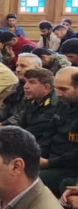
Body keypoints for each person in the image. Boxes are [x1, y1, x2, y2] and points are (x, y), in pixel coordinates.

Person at [38, 67, 78, 196]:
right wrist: (40, 154)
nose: (58, 94)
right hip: (50, 159)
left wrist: (48, 163)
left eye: (63, 89)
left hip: (69, 167)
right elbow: (49, 132)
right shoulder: (63, 103)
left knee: (26, 181)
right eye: (56, 88)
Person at [17, 67, 59, 146]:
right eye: (26, 82)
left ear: (46, 87)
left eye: (32, 82)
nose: (25, 86)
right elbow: (22, 124)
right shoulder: (32, 101)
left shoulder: (54, 105)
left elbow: (35, 131)